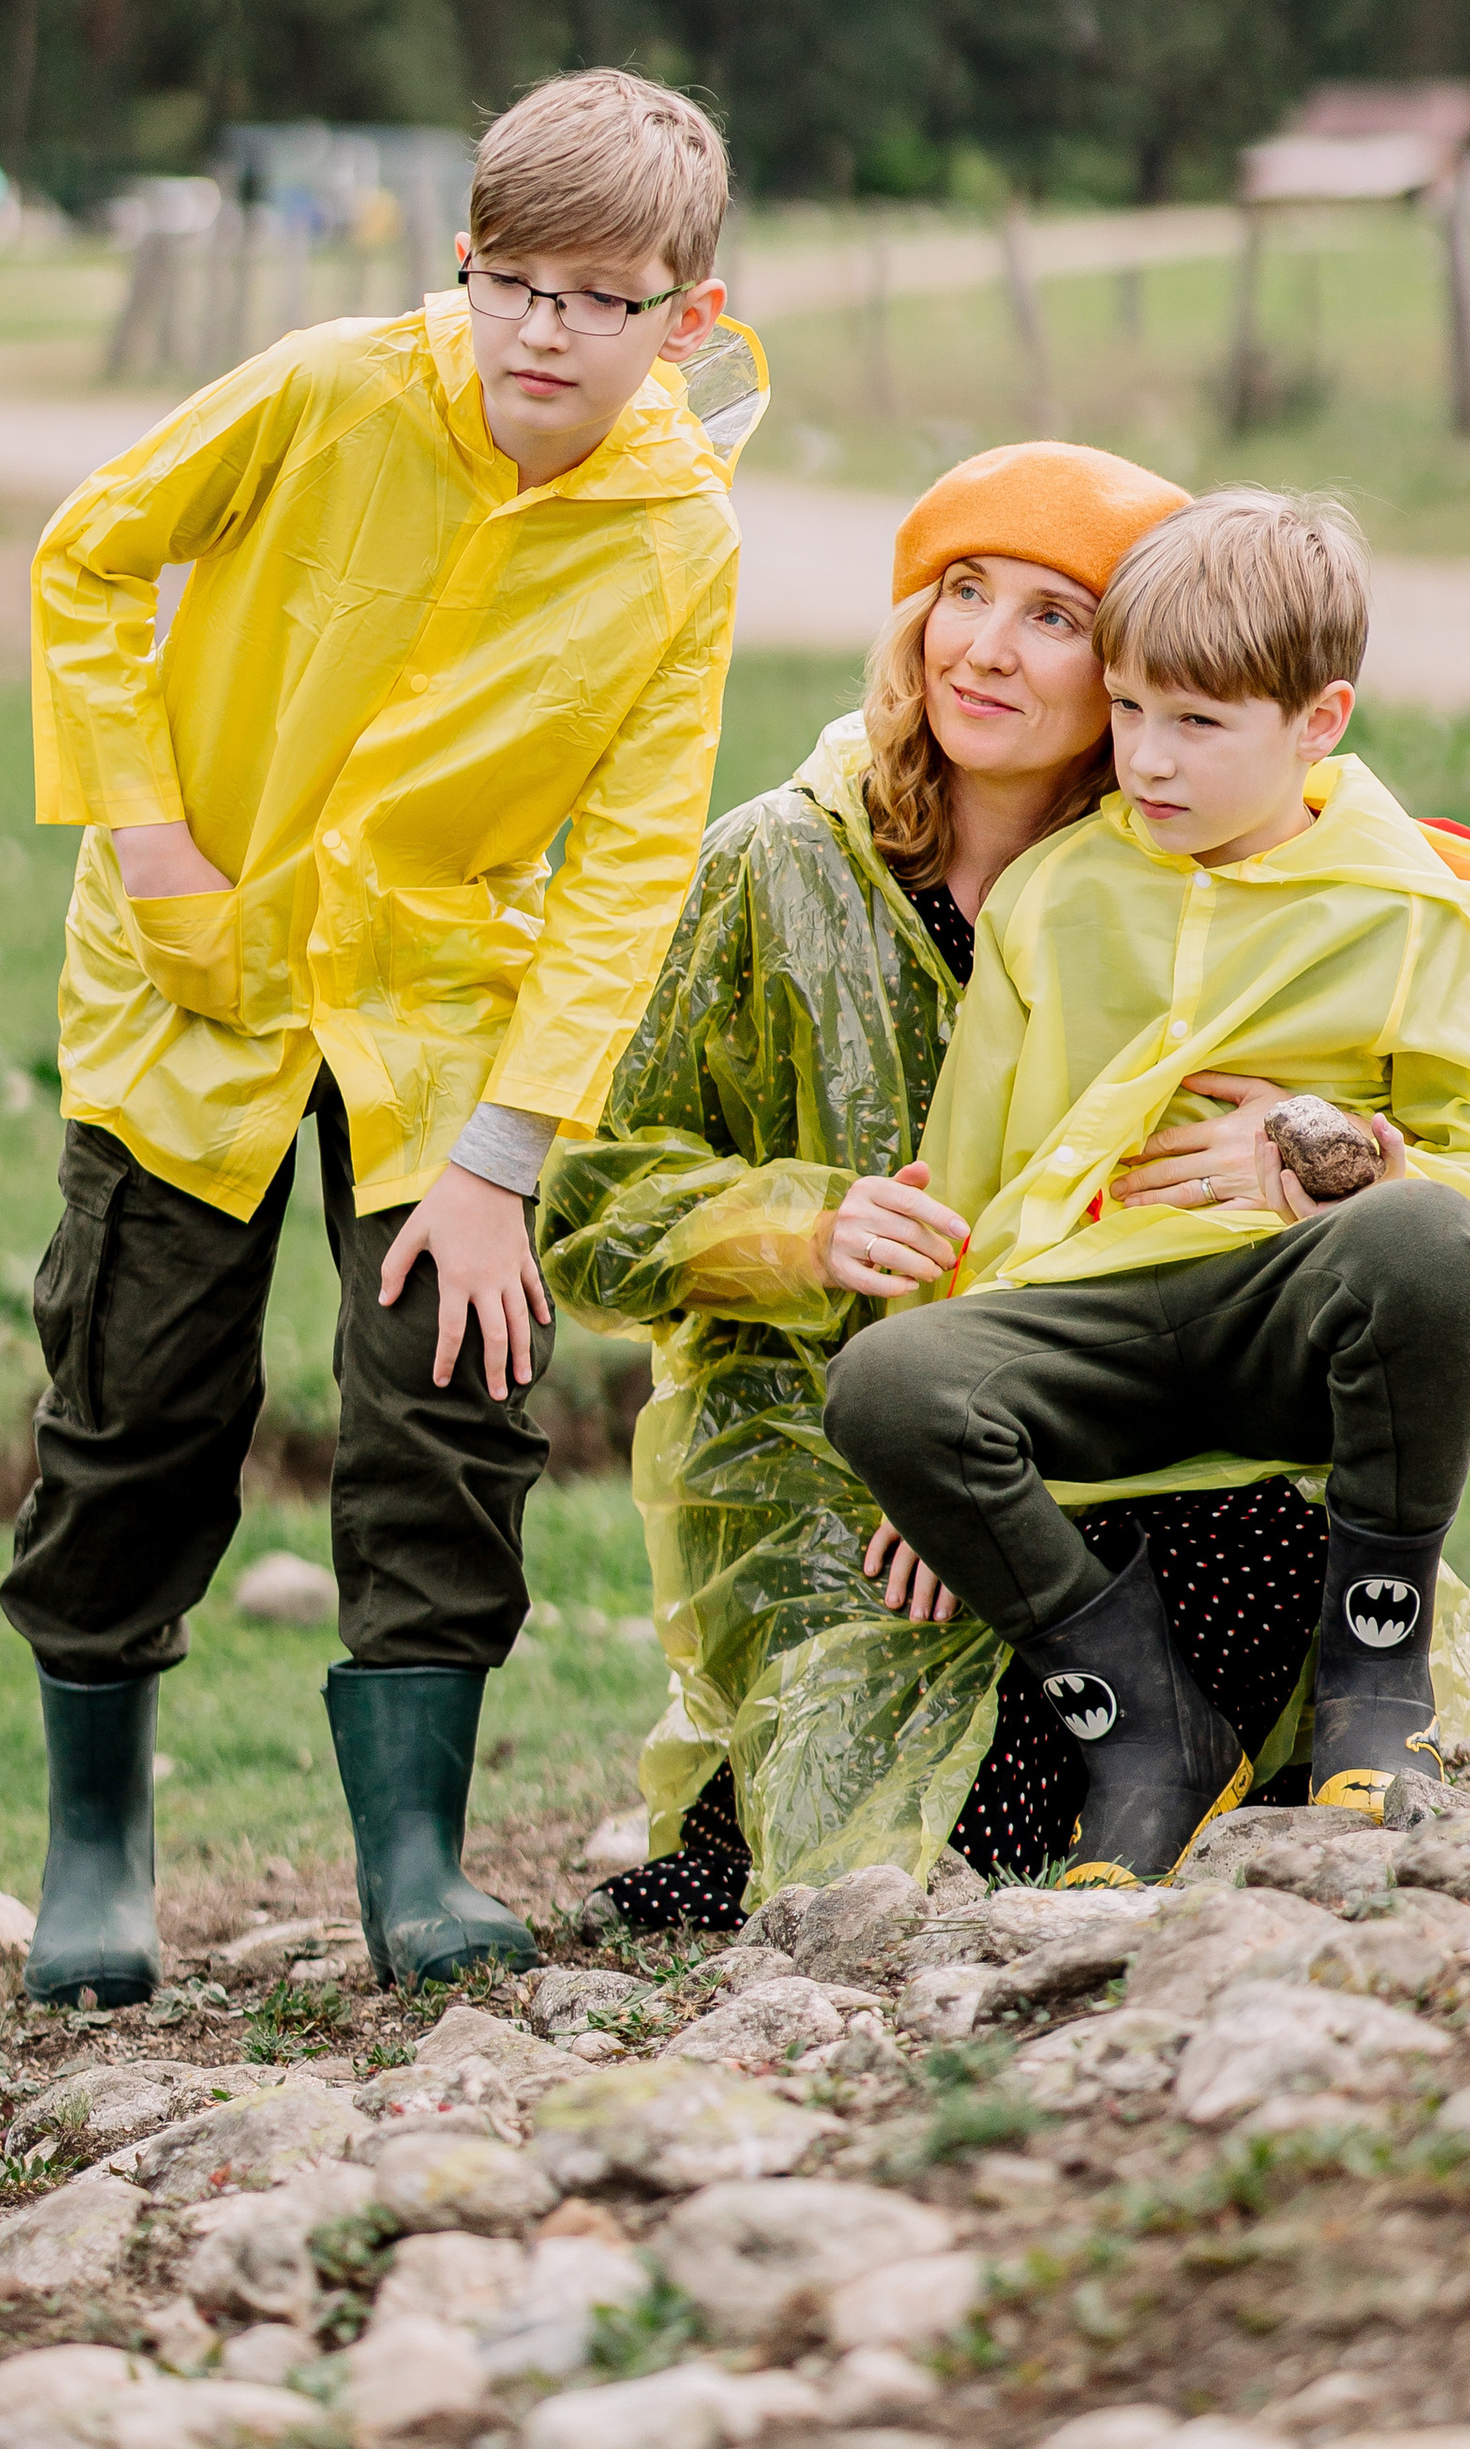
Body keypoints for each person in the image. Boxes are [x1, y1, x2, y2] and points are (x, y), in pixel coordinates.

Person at [7, 69, 766, 2003]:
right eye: (512, 279)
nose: (545, 328)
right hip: (196, 976)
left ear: (685, 312)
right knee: (135, 1400)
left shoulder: (684, 542)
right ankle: (97, 1845)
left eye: (604, 298)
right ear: (462, 264)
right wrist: (154, 837)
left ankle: (415, 1867)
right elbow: (88, 556)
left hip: (445, 1030)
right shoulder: (331, 386)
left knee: (450, 1395)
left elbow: (628, 874)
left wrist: (509, 1158)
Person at [539, 441, 1343, 1925]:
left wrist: (1301, 1146)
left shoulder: (1189, 879)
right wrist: (802, 1228)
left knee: (1280, 1554)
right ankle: (788, 1812)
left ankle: (1142, 1752)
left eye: (1053, 615)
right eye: (959, 591)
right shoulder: (777, 865)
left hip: (1089, 1438)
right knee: (926, 1824)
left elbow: (1388, 1101)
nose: (983, 647)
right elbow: (588, 1216)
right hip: (814, 1469)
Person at [825, 485, 1470, 1870]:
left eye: (1199, 725)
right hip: (1096, 1339)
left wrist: (1329, 1154)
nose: (1148, 763)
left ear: (1319, 724)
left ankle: (1373, 1678)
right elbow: (977, 1171)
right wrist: (926, 1472)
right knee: (889, 1385)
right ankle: (1142, 1729)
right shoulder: (1061, 893)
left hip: (1280, 1328)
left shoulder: (1402, 912)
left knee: (1422, 1243)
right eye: (1127, 711)